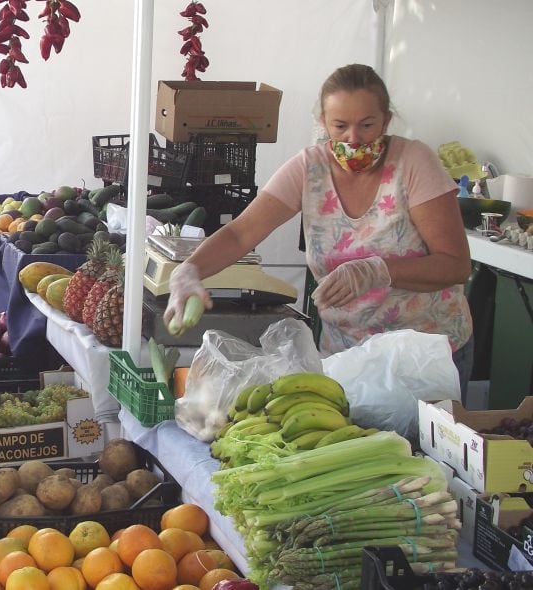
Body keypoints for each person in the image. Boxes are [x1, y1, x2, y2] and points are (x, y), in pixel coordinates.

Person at [164, 63, 474, 396]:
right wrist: (190, 269)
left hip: (425, 356)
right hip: (348, 356)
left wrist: (379, 270)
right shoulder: (309, 168)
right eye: (340, 126)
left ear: (386, 120)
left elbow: (455, 264)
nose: (353, 139)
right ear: (323, 122)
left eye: (367, 125)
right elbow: (242, 233)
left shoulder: (414, 162)